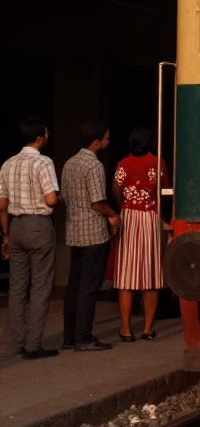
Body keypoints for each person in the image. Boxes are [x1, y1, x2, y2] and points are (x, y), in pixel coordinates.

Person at [0, 117, 60, 359]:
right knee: (40, 287)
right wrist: (57, 195)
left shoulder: (8, 164)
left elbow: (2, 204)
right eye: (46, 134)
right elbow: (51, 200)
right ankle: (33, 345)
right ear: (39, 138)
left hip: (15, 227)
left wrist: (5, 236)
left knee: (16, 288)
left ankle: (17, 344)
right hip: (38, 225)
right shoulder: (43, 162)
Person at [61, 120, 120, 352]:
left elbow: (65, 197)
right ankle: (84, 338)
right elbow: (97, 202)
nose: (107, 141)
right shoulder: (94, 166)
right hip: (94, 234)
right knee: (89, 287)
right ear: (96, 142)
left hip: (74, 232)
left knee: (74, 285)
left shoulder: (69, 163)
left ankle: (69, 337)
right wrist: (113, 216)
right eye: (106, 138)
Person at [112, 126, 168, 341]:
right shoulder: (157, 162)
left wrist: (122, 207)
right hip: (150, 217)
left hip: (128, 217)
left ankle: (125, 329)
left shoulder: (123, 163)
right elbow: (165, 191)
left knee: (126, 276)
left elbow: (116, 189)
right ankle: (147, 329)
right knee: (151, 275)